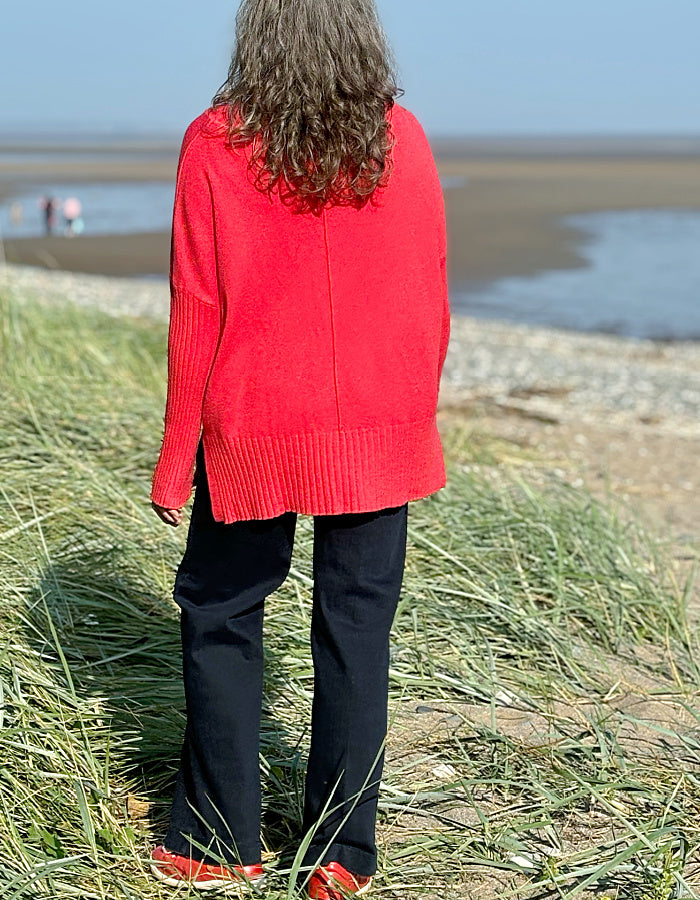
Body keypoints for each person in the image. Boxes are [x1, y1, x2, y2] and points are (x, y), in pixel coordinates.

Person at [148, 0, 450, 896]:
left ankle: (215, 838)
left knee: (219, 610)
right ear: (361, 33)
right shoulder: (402, 136)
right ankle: (339, 857)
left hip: (253, 418)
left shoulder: (216, 141)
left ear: (257, 35)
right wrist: (412, 410)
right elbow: (430, 289)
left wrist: (175, 455)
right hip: (378, 420)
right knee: (357, 631)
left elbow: (196, 308)